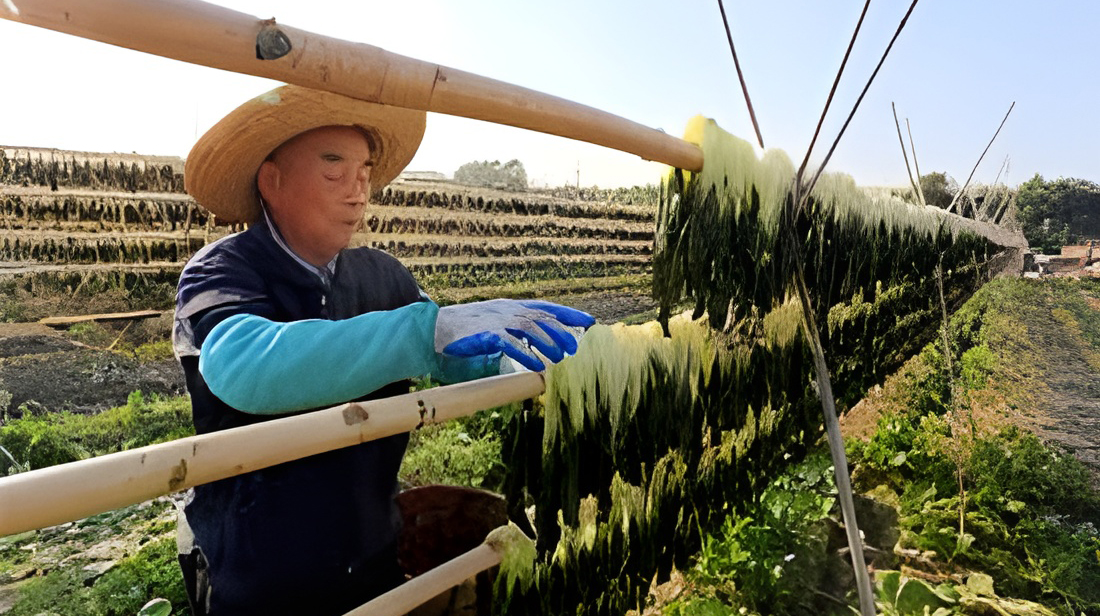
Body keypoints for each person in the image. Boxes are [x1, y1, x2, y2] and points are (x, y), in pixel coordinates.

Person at [172, 84, 594, 615]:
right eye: (333, 169)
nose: (357, 192)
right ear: (272, 180)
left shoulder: (383, 274)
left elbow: (451, 355)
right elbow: (240, 365)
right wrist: (420, 333)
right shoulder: (223, 270)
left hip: (370, 548)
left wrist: (525, 359)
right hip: (261, 570)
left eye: (365, 173)